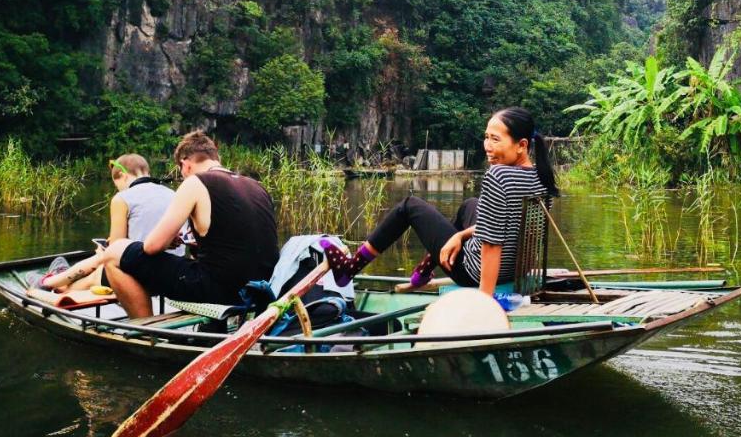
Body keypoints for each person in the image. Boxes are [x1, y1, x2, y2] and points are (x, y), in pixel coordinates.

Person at [321, 107, 557, 295]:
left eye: (495, 139)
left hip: (474, 272)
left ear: (522, 145)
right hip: (514, 271)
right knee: (470, 205)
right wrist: (460, 235)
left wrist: (485, 298)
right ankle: (424, 270)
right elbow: (509, 228)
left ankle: (349, 269)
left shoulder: (499, 175)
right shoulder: (542, 177)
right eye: (486, 138)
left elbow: (492, 243)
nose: (487, 146)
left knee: (409, 206)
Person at [94, 130, 280, 318]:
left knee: (114, 253)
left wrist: (164, 242)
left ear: (185, 164)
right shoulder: (256, 186)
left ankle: (146, 331)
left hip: (222, 290)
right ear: (216, 157)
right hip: (261, 289)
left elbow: (151, 247)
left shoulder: (195, 182)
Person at [38, 153, 184, 292]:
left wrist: (104, 250)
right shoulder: (174, 194)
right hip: (174, 270)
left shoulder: (123, 198)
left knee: (98, 267)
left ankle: (52, 285)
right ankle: (58, 278)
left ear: (122, 176)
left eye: (117, 185)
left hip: (141, 273)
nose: (118, 189)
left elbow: (115, 248)